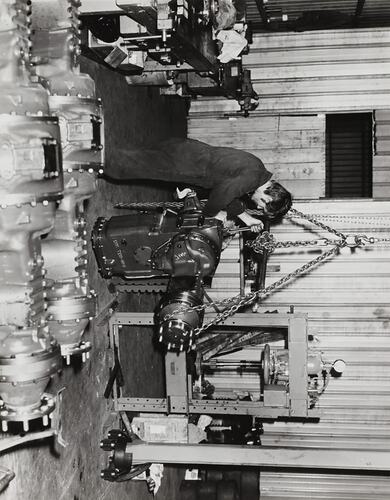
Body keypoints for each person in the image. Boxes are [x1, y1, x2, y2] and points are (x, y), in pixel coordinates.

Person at [107, 137, 292, 230]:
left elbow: (229, 190)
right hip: (186, 164)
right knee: (130, 166)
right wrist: (213, 214)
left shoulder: (257, 169)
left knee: (137, 160)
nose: (257, 205)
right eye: (261, 205)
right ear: (268, 197)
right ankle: (92, 160)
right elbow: (222, 194)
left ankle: (96, 157)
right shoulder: (252, 179)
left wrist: (246, 217)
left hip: (188, 152)